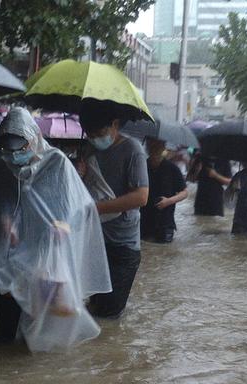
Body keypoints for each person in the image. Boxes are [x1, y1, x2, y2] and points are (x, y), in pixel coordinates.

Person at [0, 108, 111, 351]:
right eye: (7, 152)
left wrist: (62, 225)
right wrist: (6, 220)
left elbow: (75, 205)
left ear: (33, 139)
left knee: (44, 323)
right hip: (14, 253)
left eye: (19, 150)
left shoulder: (57, 163)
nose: (13, 157)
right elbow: (3, 201)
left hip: (45, 255)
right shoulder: (3, 164)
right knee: (6, 331)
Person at [79, 107, 149, 319]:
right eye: (90, 134)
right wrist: (79, 175)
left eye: (100, 134)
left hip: (123, 245)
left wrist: (98, 208)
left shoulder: (132, 150)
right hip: (96, 241)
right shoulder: (88, 149)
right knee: (93, 307)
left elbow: (141, 197)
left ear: (115, 125)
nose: (95, 139)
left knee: (109, 314)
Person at [140, 137, 188, 243]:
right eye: (151, 144)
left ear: (163, 146)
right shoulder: (141, 166)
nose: (154, 148)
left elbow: (184, 192)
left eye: (157, 145)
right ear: (147, 146)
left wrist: (168, 201)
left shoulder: (172, 168)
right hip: (144, 221)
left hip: (165, 223)